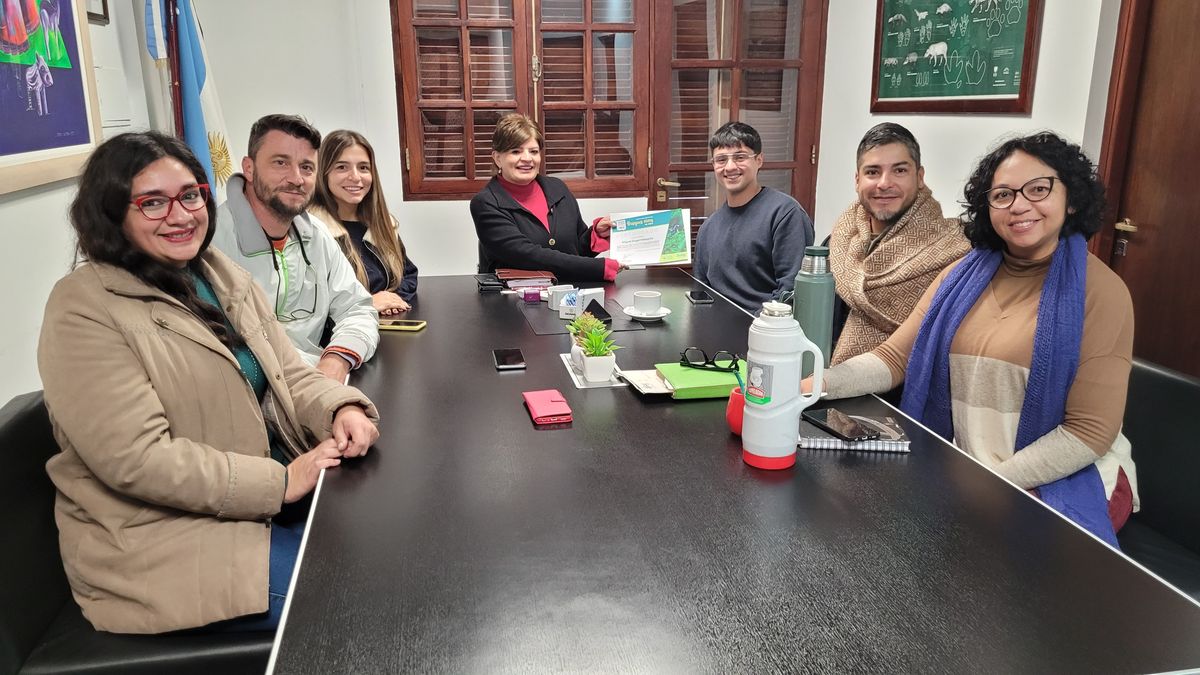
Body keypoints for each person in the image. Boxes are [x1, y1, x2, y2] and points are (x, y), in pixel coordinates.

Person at [37, 131, 381, 634]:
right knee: (358, 603)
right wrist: (281, 482)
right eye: (152, 202)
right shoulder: (83, 308)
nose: (180, 216)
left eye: (190, 195)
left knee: (391, 548)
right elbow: (138, 460)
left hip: (253, 512)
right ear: (110, 211)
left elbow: (287, 372)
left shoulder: (218, 274)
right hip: (162, 543)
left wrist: (341, 407)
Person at [811, 132, 1136, 546]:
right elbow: (894, 358)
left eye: (1038, 189)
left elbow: (1089, 432)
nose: (1019, 205)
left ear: (1071, 198)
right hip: (971, 467)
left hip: (1066, 479)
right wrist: (816, 383)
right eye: (1003, 195)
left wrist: (987, 485)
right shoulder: (959, 276)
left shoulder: (1101, 292)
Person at [210, 114, 379, 381]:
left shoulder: (317, 235)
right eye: (281, 163)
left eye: (307, 167)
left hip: (318, 381)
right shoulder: (210, 241)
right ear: (249, 168)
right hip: (246, 387)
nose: (296, 178)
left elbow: (357, 308)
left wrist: (337, 358)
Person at [828, 123, 970, 363]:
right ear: (857, 180)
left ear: (920, 177)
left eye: (899, 170)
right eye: (872, 172)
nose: (884, 183)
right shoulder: (837, 244)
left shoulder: (956, 249)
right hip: (824, 377)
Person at [470, 113, 622, 282]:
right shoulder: (485, 203)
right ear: (498, 158)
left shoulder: (557, 188)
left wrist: (595, 234)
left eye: (534, 151)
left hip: (567, 292)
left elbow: (575, 250)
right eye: (516, 151)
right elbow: (528, 256)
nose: (527, 158)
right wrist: (600, 268)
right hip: (513, 295)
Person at [692, 121, 814, 313]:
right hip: (715, 325)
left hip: (764, 325)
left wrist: (753, 326)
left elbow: (791, 292)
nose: (730, 167)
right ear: (713, 165)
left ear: (759, 160)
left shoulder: (785, 214)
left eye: (740, 157)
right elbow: (701, 292)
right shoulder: (708, 228)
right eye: (721, 160)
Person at [312, 129, 418, 316]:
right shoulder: (311, 230)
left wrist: (392, 300)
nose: (355, 177)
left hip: (387, 325)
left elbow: (408, 274)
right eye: (342, 167)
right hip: (342, 331)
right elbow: (308, 303)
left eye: (363, 167)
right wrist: (366, 303)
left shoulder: (385, 224)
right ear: (324, 173)